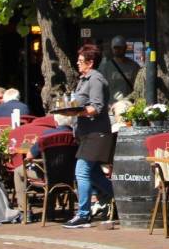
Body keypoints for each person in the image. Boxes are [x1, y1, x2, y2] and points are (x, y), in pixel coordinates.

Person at [63, 43, 115, 229]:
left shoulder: (95, 79)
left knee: (81, 171)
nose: (77, 63)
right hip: (86, 133)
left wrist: (76, 112)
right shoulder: (83, 79)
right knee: (94, 174)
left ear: (90, 62)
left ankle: (83, 215)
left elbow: (96, 107)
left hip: (96, 133)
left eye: (81, 60)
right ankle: (121, 199)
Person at [13, 114, 74, 218]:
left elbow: (29, 157)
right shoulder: (75, 135)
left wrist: (34, 145)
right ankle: (50, 209)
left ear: (56, 122)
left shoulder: (47, 135)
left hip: (48, 176)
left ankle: (24, 211)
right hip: (70, 176)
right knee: (54, 168)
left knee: (18, 171)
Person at [98, 36, 141, 104]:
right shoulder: (105, 67)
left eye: (120, 47)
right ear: (112, 49)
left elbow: (138, 88)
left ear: (125, 48)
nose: (117, 50)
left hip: (129, 105)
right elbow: (101, 88)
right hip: (111, 105)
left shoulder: (134, 66)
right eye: (115, 48)